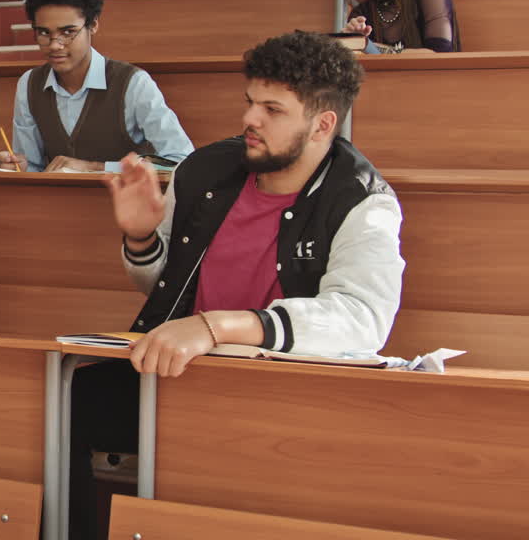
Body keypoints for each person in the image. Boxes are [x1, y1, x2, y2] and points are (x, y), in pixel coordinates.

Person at [68, 31, 405, 539]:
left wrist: (217, 327)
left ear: (322, 124)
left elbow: (363, 317)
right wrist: (141, 238)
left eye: (272, 109)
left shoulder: (363, 200)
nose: (250, 119)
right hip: (172, 376)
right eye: (250, 103)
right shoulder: (203, 171)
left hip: (286, 400)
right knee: (54, 408)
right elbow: (162, 286)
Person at [0, 0, 193, 172]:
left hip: (125, 203)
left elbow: (181, 160)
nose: (54, 45)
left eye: (68, 32)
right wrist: (20, 167)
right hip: (56, 203)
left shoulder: (133, 84)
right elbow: (34, 169)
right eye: (43, 33)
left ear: (93, 24)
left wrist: (95, 167)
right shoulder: (29, 84)